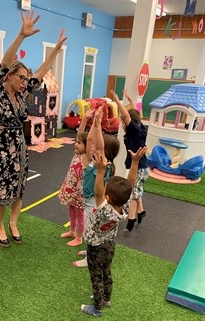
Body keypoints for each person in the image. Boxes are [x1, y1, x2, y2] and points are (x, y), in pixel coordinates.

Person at [0, 10, 67, 248]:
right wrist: (22, 36)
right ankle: (0, 226)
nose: (25, 82)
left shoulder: (22, 93)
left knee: (19, 187)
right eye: (21, 77)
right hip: (3, 151)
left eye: (26, 79)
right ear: (10, 76)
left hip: (20, 149)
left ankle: (14, 223)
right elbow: (4, 62)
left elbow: (42, 72)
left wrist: (55, 51)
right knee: (2, 191)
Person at [81, 145, 148, 317]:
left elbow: (97, 193)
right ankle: (107, 298)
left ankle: (97, 308)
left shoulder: (105, 209)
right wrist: (134, 163)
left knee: (96, 278)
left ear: (108, 198)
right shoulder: (124, 206)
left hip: (96, 248)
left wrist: (101, 172)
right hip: (109, 246)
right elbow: (130, 184)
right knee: (106, 272)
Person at [73, 107, 120, 268]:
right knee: (89, 230)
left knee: (90, 231)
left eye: (99, 149)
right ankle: (89, 251)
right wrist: (93, 124)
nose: (92, 149)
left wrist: (99, 126)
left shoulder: (104, 165)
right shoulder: (91, 161)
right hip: (88, 201)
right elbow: (91, 141)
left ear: (106, 153)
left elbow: (98, 145)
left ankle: (90, 259)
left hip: (94, 203)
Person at [111, 90, 149, 232]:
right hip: (137, 166)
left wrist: (117, 99)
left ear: (128, 123)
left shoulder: (134, 131)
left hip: (139, 167)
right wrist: (130, 99)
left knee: (133, 194)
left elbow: (127, 115)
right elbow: (135, 112)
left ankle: (131, 220)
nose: (122, 123)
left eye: (122, 122)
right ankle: (141, 212)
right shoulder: (140, 127)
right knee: (136, 191)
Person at [58, 131, 88, 247]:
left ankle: (79, 237)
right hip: (70, 190)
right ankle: (72, 231)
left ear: (87, 147)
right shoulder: (76, 154)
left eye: (79, 143)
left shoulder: (86, 158)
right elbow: (80, 131)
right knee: (71, 211)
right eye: (76, 142)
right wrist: (85, 118)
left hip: (79, 193)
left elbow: (90, 142)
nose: (76, 144)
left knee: (80, 215)